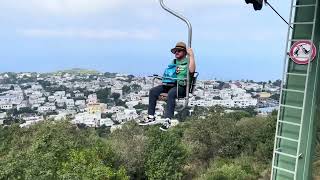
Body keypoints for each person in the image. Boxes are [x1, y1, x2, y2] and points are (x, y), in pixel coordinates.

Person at [140, 42, 196, 130]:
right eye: (175, 51)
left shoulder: (188, 61)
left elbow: (192, 70)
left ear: (184, 52)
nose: (176, 53)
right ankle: (151, 116)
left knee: (171, 93)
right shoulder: (173, 62)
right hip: (170, 84)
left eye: (179, 51)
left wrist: (192, 56)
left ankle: (167, 120)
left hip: (181, 86)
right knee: (153, 91)